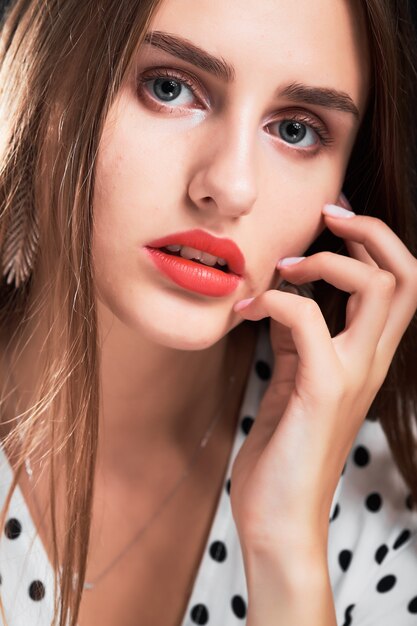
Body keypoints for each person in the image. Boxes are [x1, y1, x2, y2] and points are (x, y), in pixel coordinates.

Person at [0, 0, 417, 624]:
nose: (231, 185)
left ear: (343, 194)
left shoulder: (379, 505)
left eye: (295, 129)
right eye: (169, 87)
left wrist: (287, 554)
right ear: (46, 78)